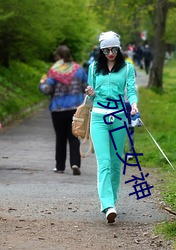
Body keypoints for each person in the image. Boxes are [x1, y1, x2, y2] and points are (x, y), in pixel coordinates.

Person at [85, 31, 138, 223]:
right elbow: (91, 97)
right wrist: (90, 92)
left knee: (116, 164)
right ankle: (107, 205)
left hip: (119, 118)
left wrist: (133, 104)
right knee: (104, 162)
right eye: (106, 50)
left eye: (114, 49)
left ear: (119, 48)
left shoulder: (127, 68)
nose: (110, 53)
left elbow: (131, 90)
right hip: (98, 117)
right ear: (101, 50)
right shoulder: (93, 68)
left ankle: (113, 201)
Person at [39, 45, 88, 175]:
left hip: (58, 109)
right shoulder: (79, 70)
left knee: (60, 138)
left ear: (58, 57)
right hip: (75, 109)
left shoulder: (54, 71)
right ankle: (75, 163)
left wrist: (42, 83)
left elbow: (47, 90)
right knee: (74, 137)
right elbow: (86, 87)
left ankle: (60, 166)